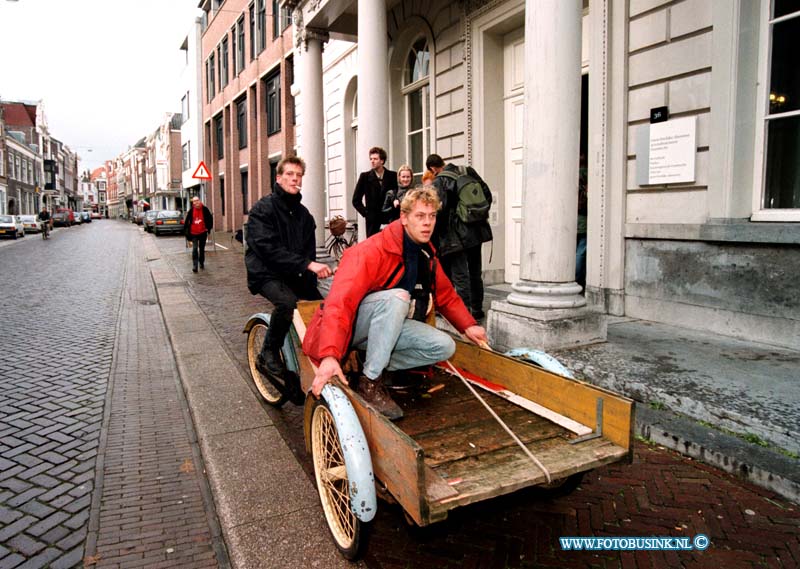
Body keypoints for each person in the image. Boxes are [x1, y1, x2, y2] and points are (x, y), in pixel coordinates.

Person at [303, 187, 489, 420]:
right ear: (403, 217)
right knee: (398, 297)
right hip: (350, 328)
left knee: (445, 346)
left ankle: (371, 366)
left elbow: (446, 294)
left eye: (432, 216)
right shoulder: (371, 251)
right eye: (420, 216)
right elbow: (340, 303)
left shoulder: (426, 254)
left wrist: (468, 325)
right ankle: (370, 382)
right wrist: (330, 354)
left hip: (384, 326)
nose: (427, 223)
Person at [246, 155, 332, 378]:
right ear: (279, 178)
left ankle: (317, 353)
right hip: (266, 273)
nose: (295, 179)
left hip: (293, 272)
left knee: (323, 305)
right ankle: (268, 352)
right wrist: (308, 265)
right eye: (290, 175)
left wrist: (312, 278)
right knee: (286, 303)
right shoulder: (262, 210)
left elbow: (308, 254)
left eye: (299, 175)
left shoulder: (305, 216)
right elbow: (269, 250)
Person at [426, 153, 493, 320]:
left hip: (455, 235)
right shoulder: (467, 170)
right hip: (476, 230)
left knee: (460, 275)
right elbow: (487, 196)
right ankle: (477, 310)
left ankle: (464, 315)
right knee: (475, 272)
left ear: (433, 169)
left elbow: (439, 211)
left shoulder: (440, 181)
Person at [352, 146, 398, 237]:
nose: (372, 161)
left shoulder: (393, 176)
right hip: (372, 221)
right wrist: (366, 213)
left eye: (375, 159)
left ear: (382, 160)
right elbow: (356, 200)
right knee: (373, 248)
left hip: (389, 219)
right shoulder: (365, 177)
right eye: (371, 159)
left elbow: (397, 194)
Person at [183, 196, 214, 273]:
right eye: (194, 201)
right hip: (194, 233)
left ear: (199, 201)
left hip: (203, 232)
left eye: (197, 200)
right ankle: (195, 265)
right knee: (194, 248)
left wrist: (208, 228)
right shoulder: (191, 211)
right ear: (193, 203)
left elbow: (210, 219)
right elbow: (187, 222)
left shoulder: (205, 209)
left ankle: (201, 262)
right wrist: (186, 232)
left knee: (202, 249)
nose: (196, 202)